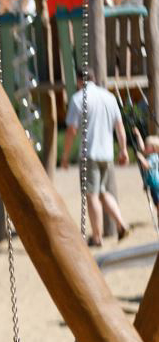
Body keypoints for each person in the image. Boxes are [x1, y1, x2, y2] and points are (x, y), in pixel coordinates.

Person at [61, 74, 130, 247]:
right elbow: (119, 127)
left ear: (79, 80)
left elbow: (71, 130)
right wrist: (123, 150)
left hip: (89, 153)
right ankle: (121, 223)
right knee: (103, 193)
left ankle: (97, 237)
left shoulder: (78, 98)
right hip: (107, 154)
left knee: (91, 195)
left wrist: (65, 156)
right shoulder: (109, 97)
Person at [130, 127, 159, 214]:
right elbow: (142, 148)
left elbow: (146, 166)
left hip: (156, 185)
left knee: (158, 203)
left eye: (147, 146)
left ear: (154, 148)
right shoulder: (149, 155)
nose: (145, 147)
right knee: (156, 203)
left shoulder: (154, 157)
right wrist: (138, 135)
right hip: (152, 185)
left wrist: (140, 157)